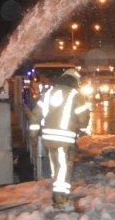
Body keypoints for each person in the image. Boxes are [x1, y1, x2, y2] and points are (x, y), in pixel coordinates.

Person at [29, 68, 91, 207]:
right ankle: (60, 200)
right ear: (75, 81)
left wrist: (33, 134)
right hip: (64, 138)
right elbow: (83, 116)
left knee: (55, 166)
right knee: (63, 168)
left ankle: (58, 194)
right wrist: (82, 129)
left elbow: (36, 114)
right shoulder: (75, 94)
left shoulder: (49, 93)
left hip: (48, 138)